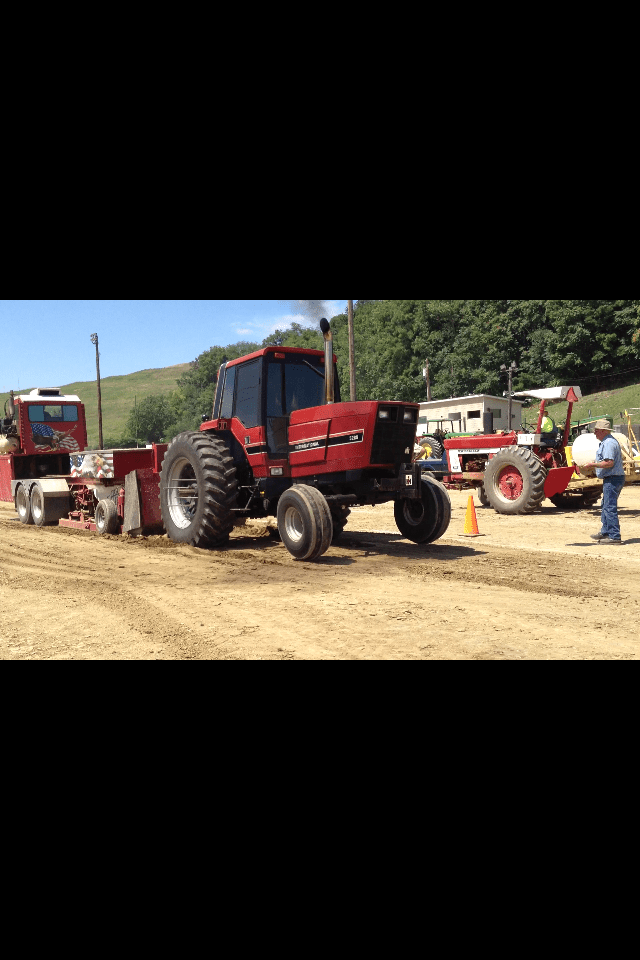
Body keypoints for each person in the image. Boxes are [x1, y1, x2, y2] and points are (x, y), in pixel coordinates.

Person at [582, 419, 625, 544]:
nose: (595, 433)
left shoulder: (608, 443)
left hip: (612, 478)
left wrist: (592, 464)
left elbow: (609, 463)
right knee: (606, 505)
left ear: (603, 431)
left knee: (609, 507)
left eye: (596, 431)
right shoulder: (608, 442)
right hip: (613, 477)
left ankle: (614, 536)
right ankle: (606, 531)